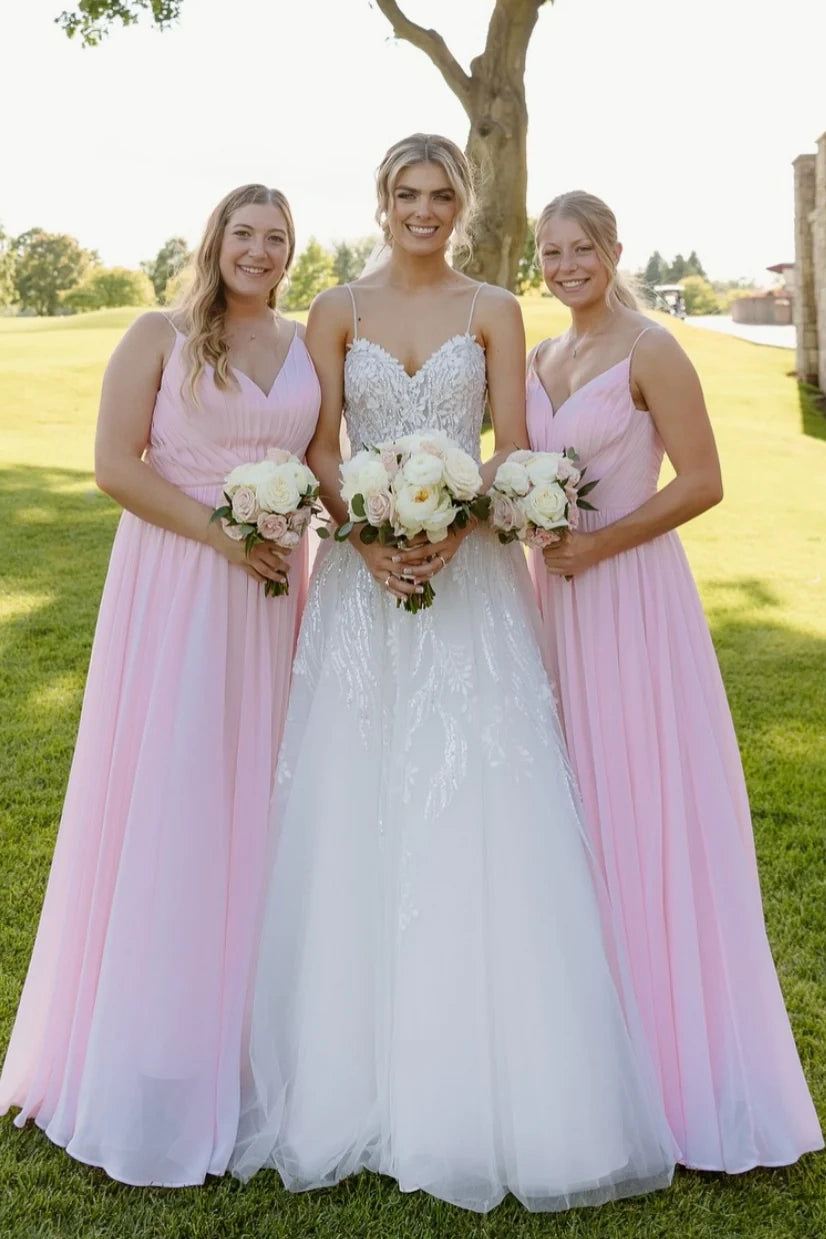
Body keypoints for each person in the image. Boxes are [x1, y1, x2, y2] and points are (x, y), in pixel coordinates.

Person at [230, 135, 676, 1214]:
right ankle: (347, 1083)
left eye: (438, 196)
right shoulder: (337, 307)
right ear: (381, 203)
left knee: (481, 809)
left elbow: (513, 447)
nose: (420, 210)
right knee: (355, 808)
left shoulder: (495, 309)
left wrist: (457, 517)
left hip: (471, 586)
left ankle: (483, 1090)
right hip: (357, 590)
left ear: (461, 206)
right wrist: (371, 538)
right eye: (403, 194)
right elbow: (325, 448)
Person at [0, 184, 321, 1186]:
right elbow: (112, 466)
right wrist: (222, 537)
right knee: (175, 796)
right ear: (214, 239)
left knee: (262, 797)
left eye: (276, 238)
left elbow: (321, 462)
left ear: (289, 251)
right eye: (244, 233)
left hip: (276, 593)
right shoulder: (157, 333)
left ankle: (245, 1047)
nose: (259, 251)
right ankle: (151, 1053)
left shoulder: (309, 342)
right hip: (181, 584)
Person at [526, 189, 823, 1172]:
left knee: (642, 808)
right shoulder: (540, 358)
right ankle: (587, 1055)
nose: (568, 264)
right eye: (552, 251)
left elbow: (702, 480)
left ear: (613, 251)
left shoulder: (651, 349)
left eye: (583, 249)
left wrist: (602, 541)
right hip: (551, 600)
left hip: (629, 600)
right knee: (570, 810)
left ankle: (678, 1073)